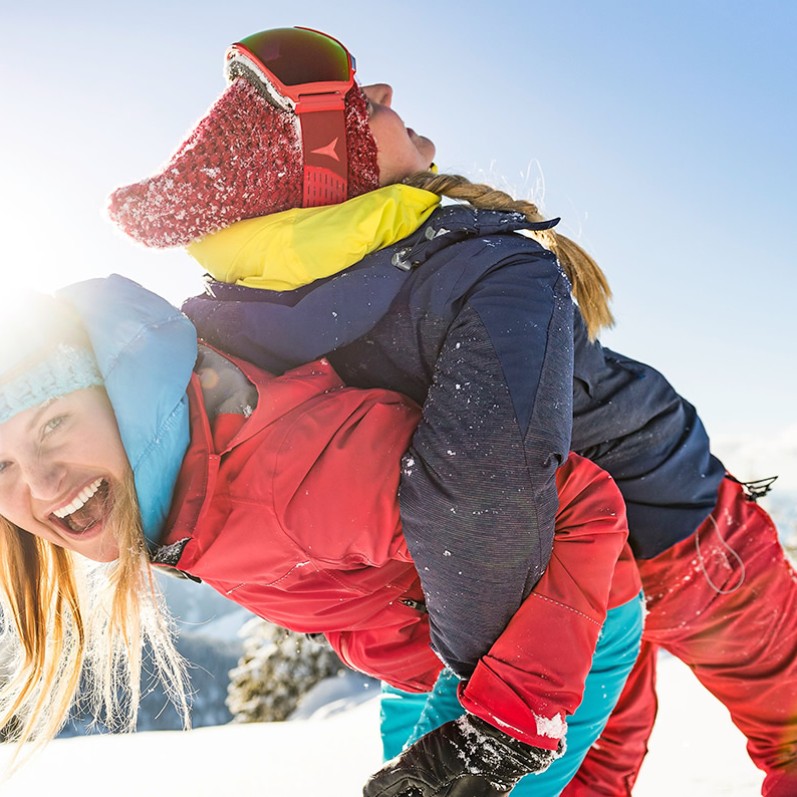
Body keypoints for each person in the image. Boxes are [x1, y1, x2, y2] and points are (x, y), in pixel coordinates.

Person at [107, 25, 797, 796]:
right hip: (672, 523)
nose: (386, 95)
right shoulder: (481, 265)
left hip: (552, 586)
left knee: (585, 779)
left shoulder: (232, 328)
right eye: (359, 104)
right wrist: (489, 716)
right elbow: (481, 492)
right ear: (333, 168)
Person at [0, 273, 642, 796]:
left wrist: (506, 726)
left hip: (542, 635)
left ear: (122, 400)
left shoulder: (292, 477)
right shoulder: (172, 490)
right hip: (435, 656)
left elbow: (574, 506)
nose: (40, 482)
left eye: (54, 423)